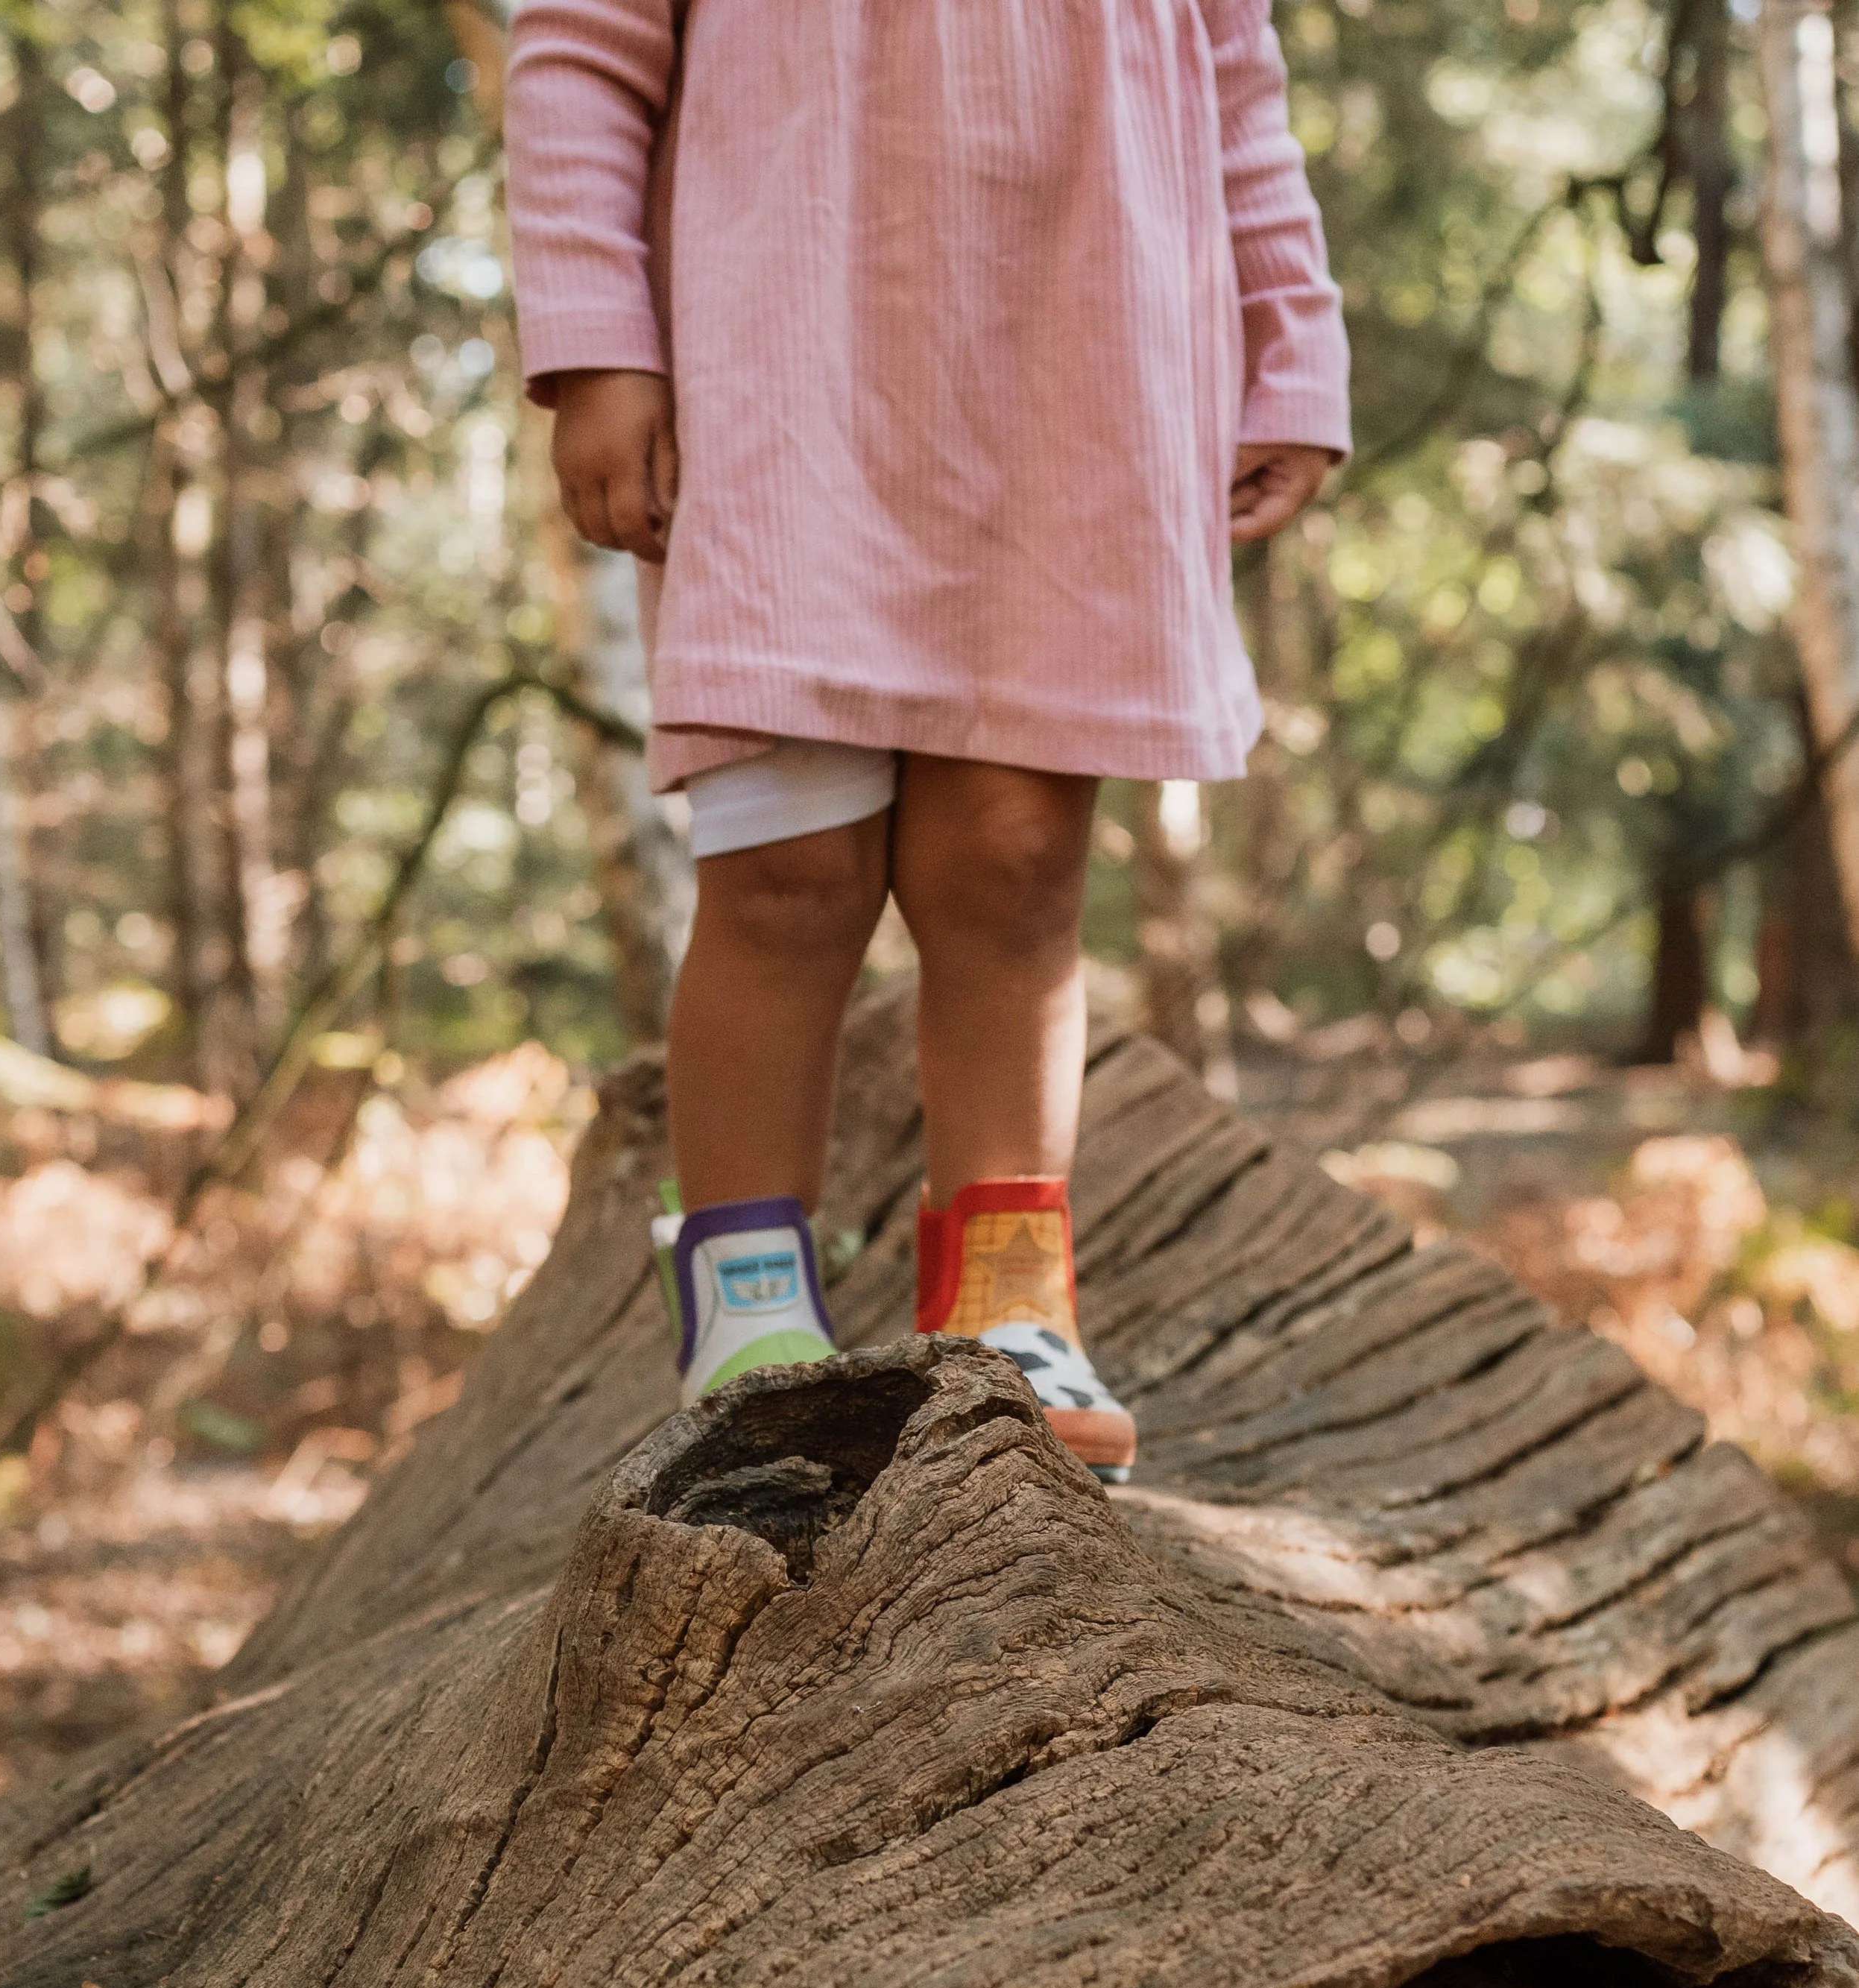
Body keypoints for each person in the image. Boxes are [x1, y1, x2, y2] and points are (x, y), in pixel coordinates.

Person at [505, 0, 1349, 1483]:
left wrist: (1288, 341)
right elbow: (577, 48)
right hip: (776, 367)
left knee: (1014, 859)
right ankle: (746, 1312)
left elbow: (1235, 79)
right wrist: (592, 345)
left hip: (1082, 356)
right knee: (786, 873)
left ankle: (1009, 1300)